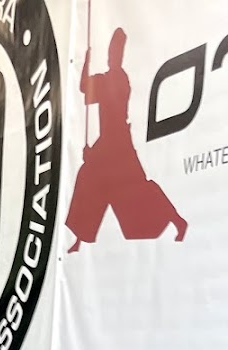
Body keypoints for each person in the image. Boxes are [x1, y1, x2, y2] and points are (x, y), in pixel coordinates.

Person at [65, 27, 188, 253]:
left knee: (138, 188)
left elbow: (88, 89)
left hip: (118, 143)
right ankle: (80, 239)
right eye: (111, 53)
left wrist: (94, 153)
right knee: (88, 180)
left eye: (116, 53)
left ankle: (177, 221)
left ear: (120, 55)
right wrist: (86, 63)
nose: (113, 56)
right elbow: (85, 88)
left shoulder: (118, 79)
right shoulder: (108, 78)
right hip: (108, 142)